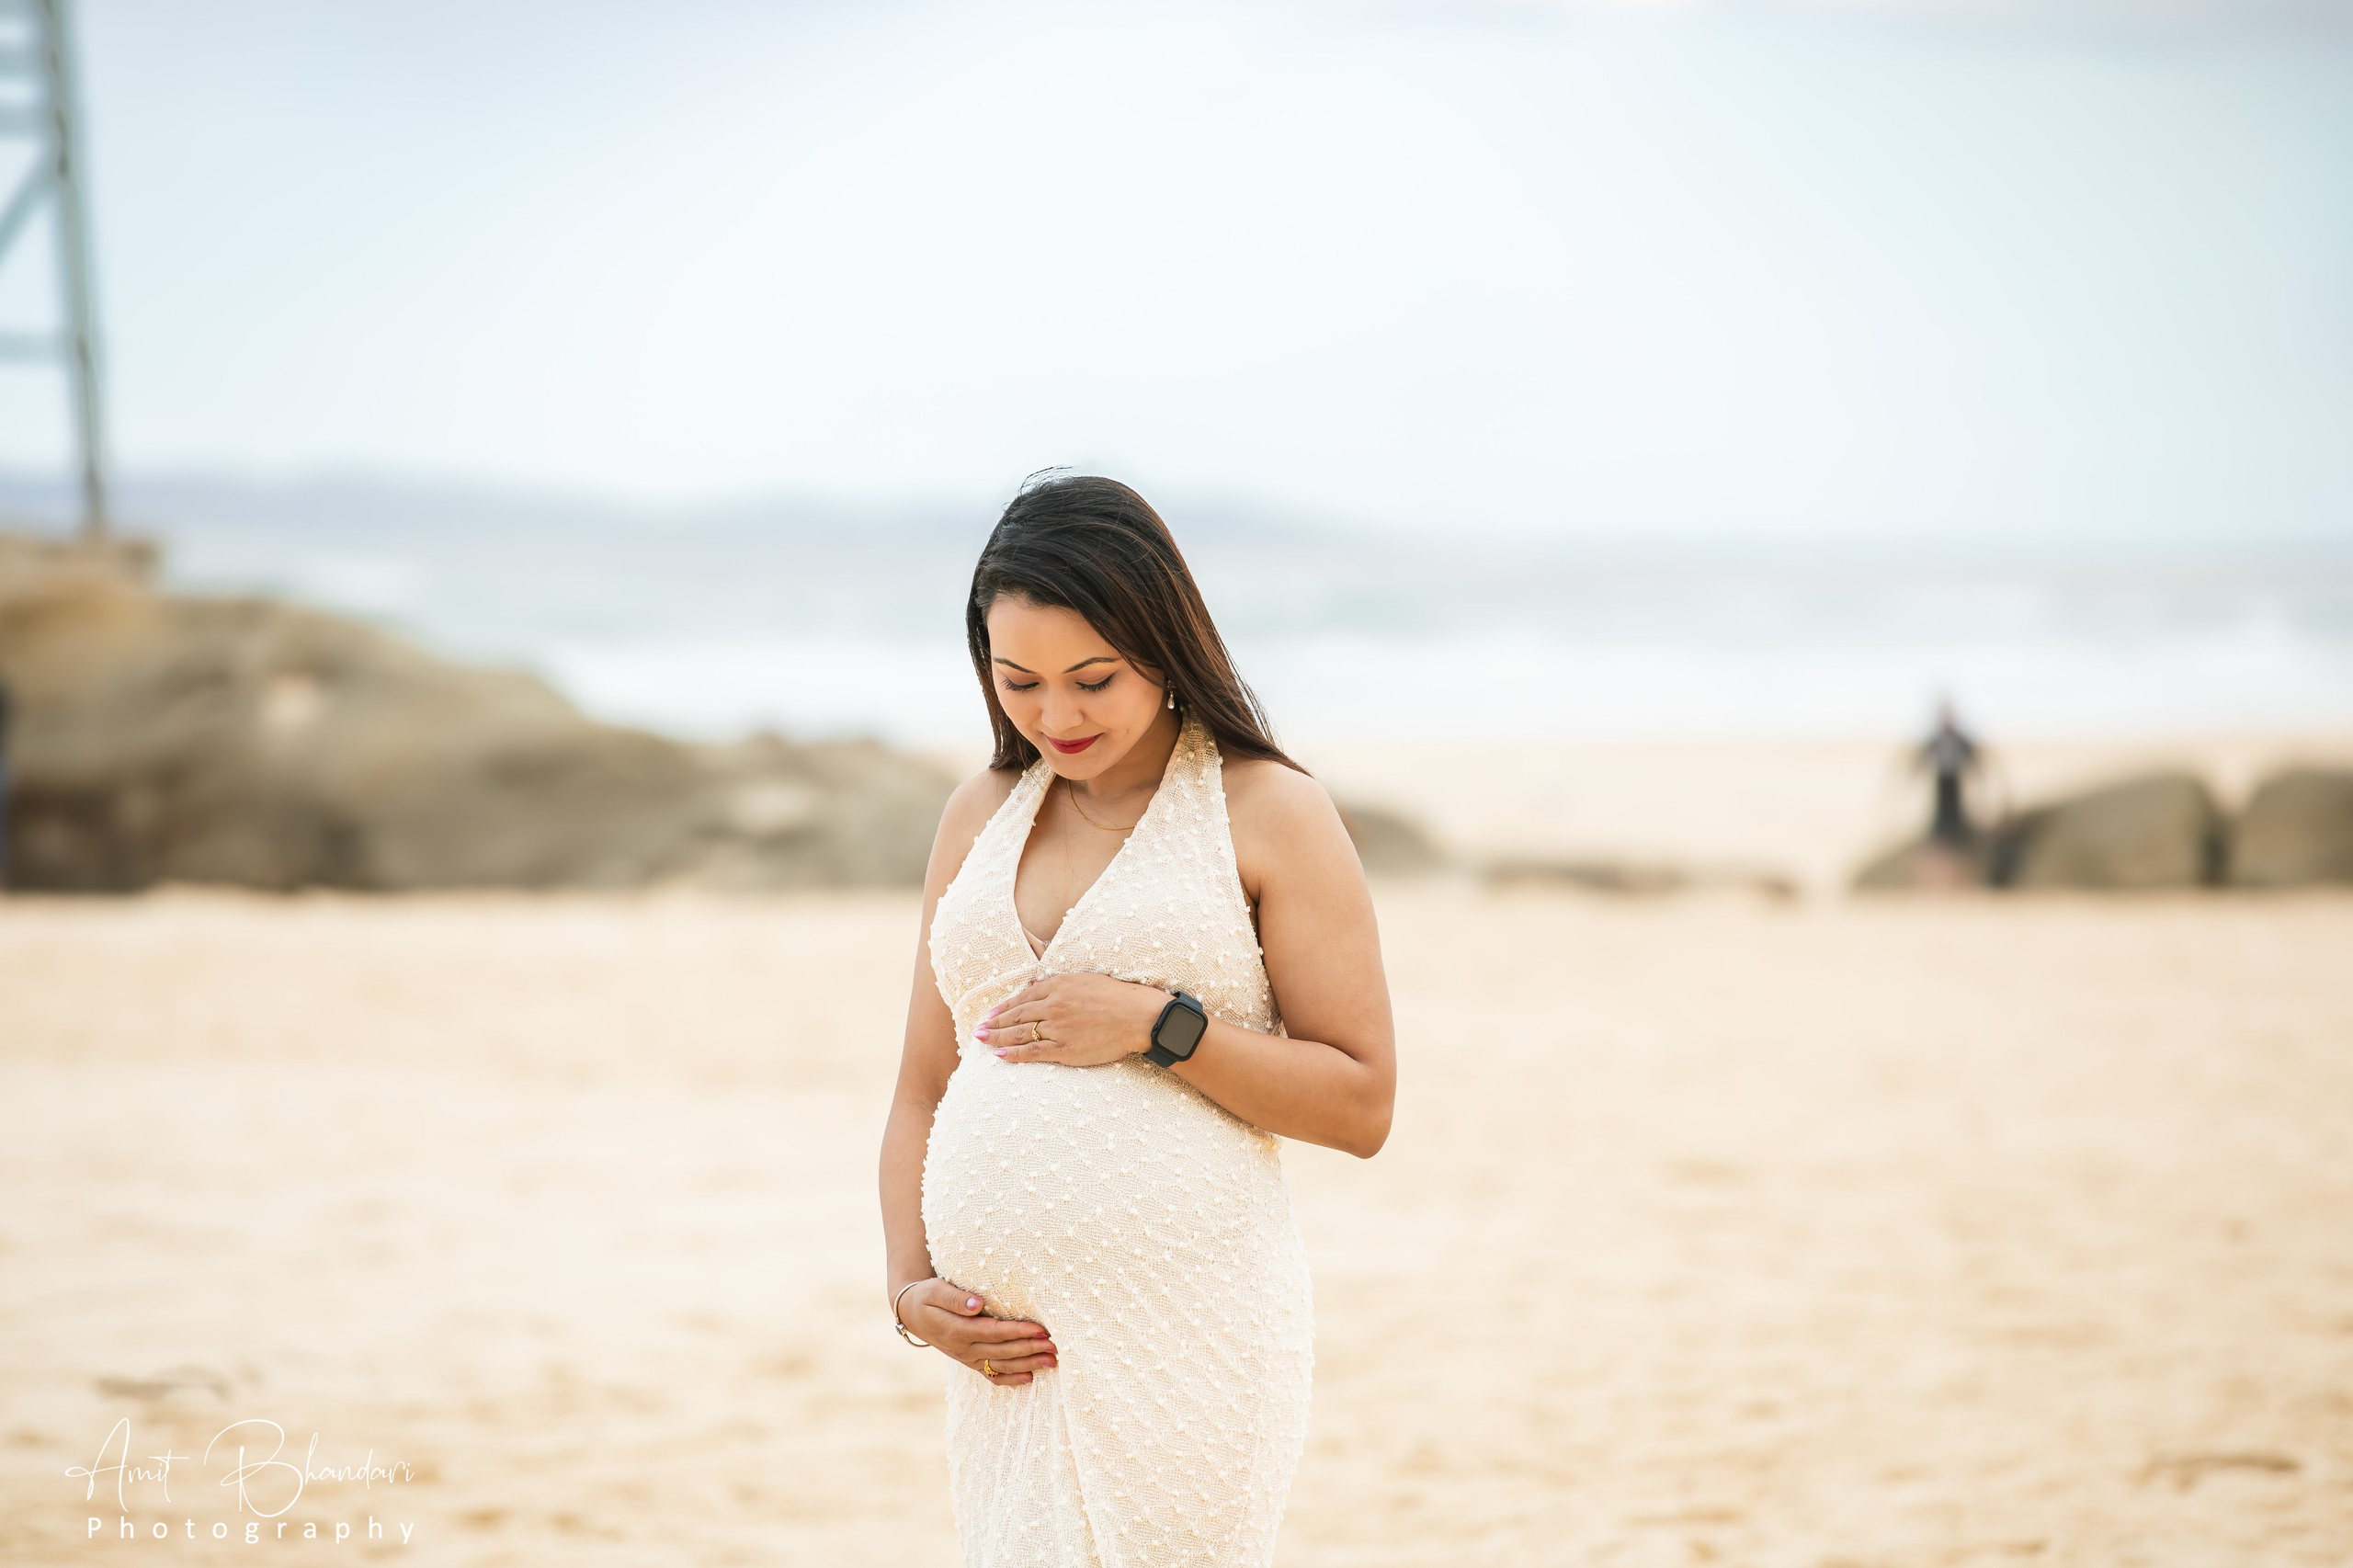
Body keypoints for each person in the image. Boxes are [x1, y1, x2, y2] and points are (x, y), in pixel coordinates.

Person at [879, 475, 1396, 1568]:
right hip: (1013, 1363)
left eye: (1093, 679)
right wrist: (908, 1288)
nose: (1056, 717)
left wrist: (1162, 1025)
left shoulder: (1266, 809)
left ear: (1164, 644)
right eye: (1018, 680)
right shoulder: (978, 812)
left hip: (1189, 1336)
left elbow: (1360, 1102)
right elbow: (926, 1083)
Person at [1917, 699, 1981, 847]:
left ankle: (1956, 837)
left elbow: (1972, 758)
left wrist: (1979, 775)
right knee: (1941, 813)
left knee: (1955, 813)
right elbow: (1922, 758)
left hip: (1954, 780)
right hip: (1941, 780)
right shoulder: (1935, 739)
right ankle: (1940, 837)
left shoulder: (1960, 739)